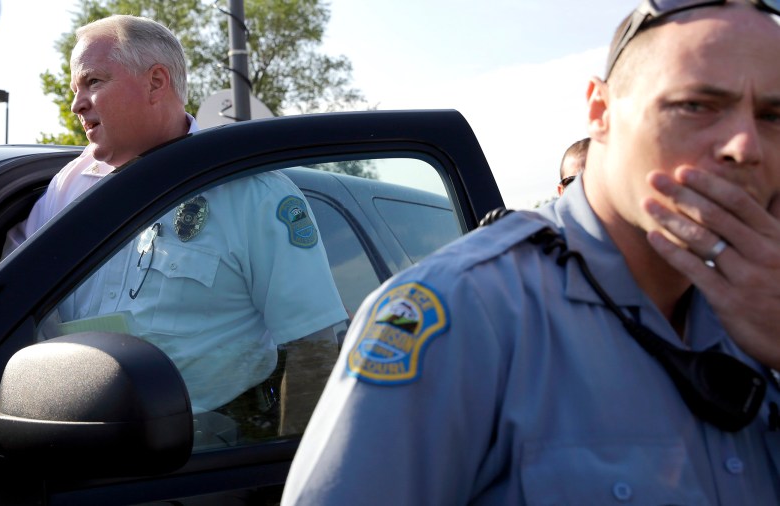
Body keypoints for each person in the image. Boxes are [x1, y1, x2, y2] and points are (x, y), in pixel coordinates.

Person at [282, 1, 780, 504]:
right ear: (600, 112)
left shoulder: (766, 306)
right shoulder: (462, 312)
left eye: (773, 115)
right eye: (696, 105)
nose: (745, 146)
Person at [4, 15, 347, 439]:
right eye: (76, 89)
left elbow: (311, 351)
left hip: (209, 459)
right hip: (77, 447)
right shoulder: (67, 189)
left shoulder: (252, 193)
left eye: (92, 81)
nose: (77, 104)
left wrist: (283, 479)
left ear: (155, 82)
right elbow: (10, 313)